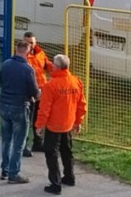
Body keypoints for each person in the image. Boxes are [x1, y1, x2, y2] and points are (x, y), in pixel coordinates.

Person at [35, 54, 86, 195]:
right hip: (68, 124)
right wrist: (78, 121)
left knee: (51, 154)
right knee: (67, 152)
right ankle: (69, 177)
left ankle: (55, 183)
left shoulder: (51, 85)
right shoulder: (76, 81)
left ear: (57, 67)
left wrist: (39, 125)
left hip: (54, 126)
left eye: (53, 65)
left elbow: (44, 108)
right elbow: (81, 104)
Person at [0, 40, 39, 184]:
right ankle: (14, 173)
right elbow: (34, 91)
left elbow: (2, 82)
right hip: (19, 107)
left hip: (4, 105)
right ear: (27, 51)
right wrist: (37, 94)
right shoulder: (27, 69)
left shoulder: (6, 64)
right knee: (19, 142)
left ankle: (5, 169)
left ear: (16, 50)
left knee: (6, 140)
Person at [23, 32, 53, 155]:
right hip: (29, 92)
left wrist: (59, 68)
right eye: (27, 42)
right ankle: (23, 145)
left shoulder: (40, 53)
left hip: (41, 91)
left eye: (32, 43)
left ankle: (38, 143)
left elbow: (48, 66)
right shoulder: (22, 56)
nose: (30, 45)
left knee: (38, 119)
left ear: (35, 43)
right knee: (26, 120)